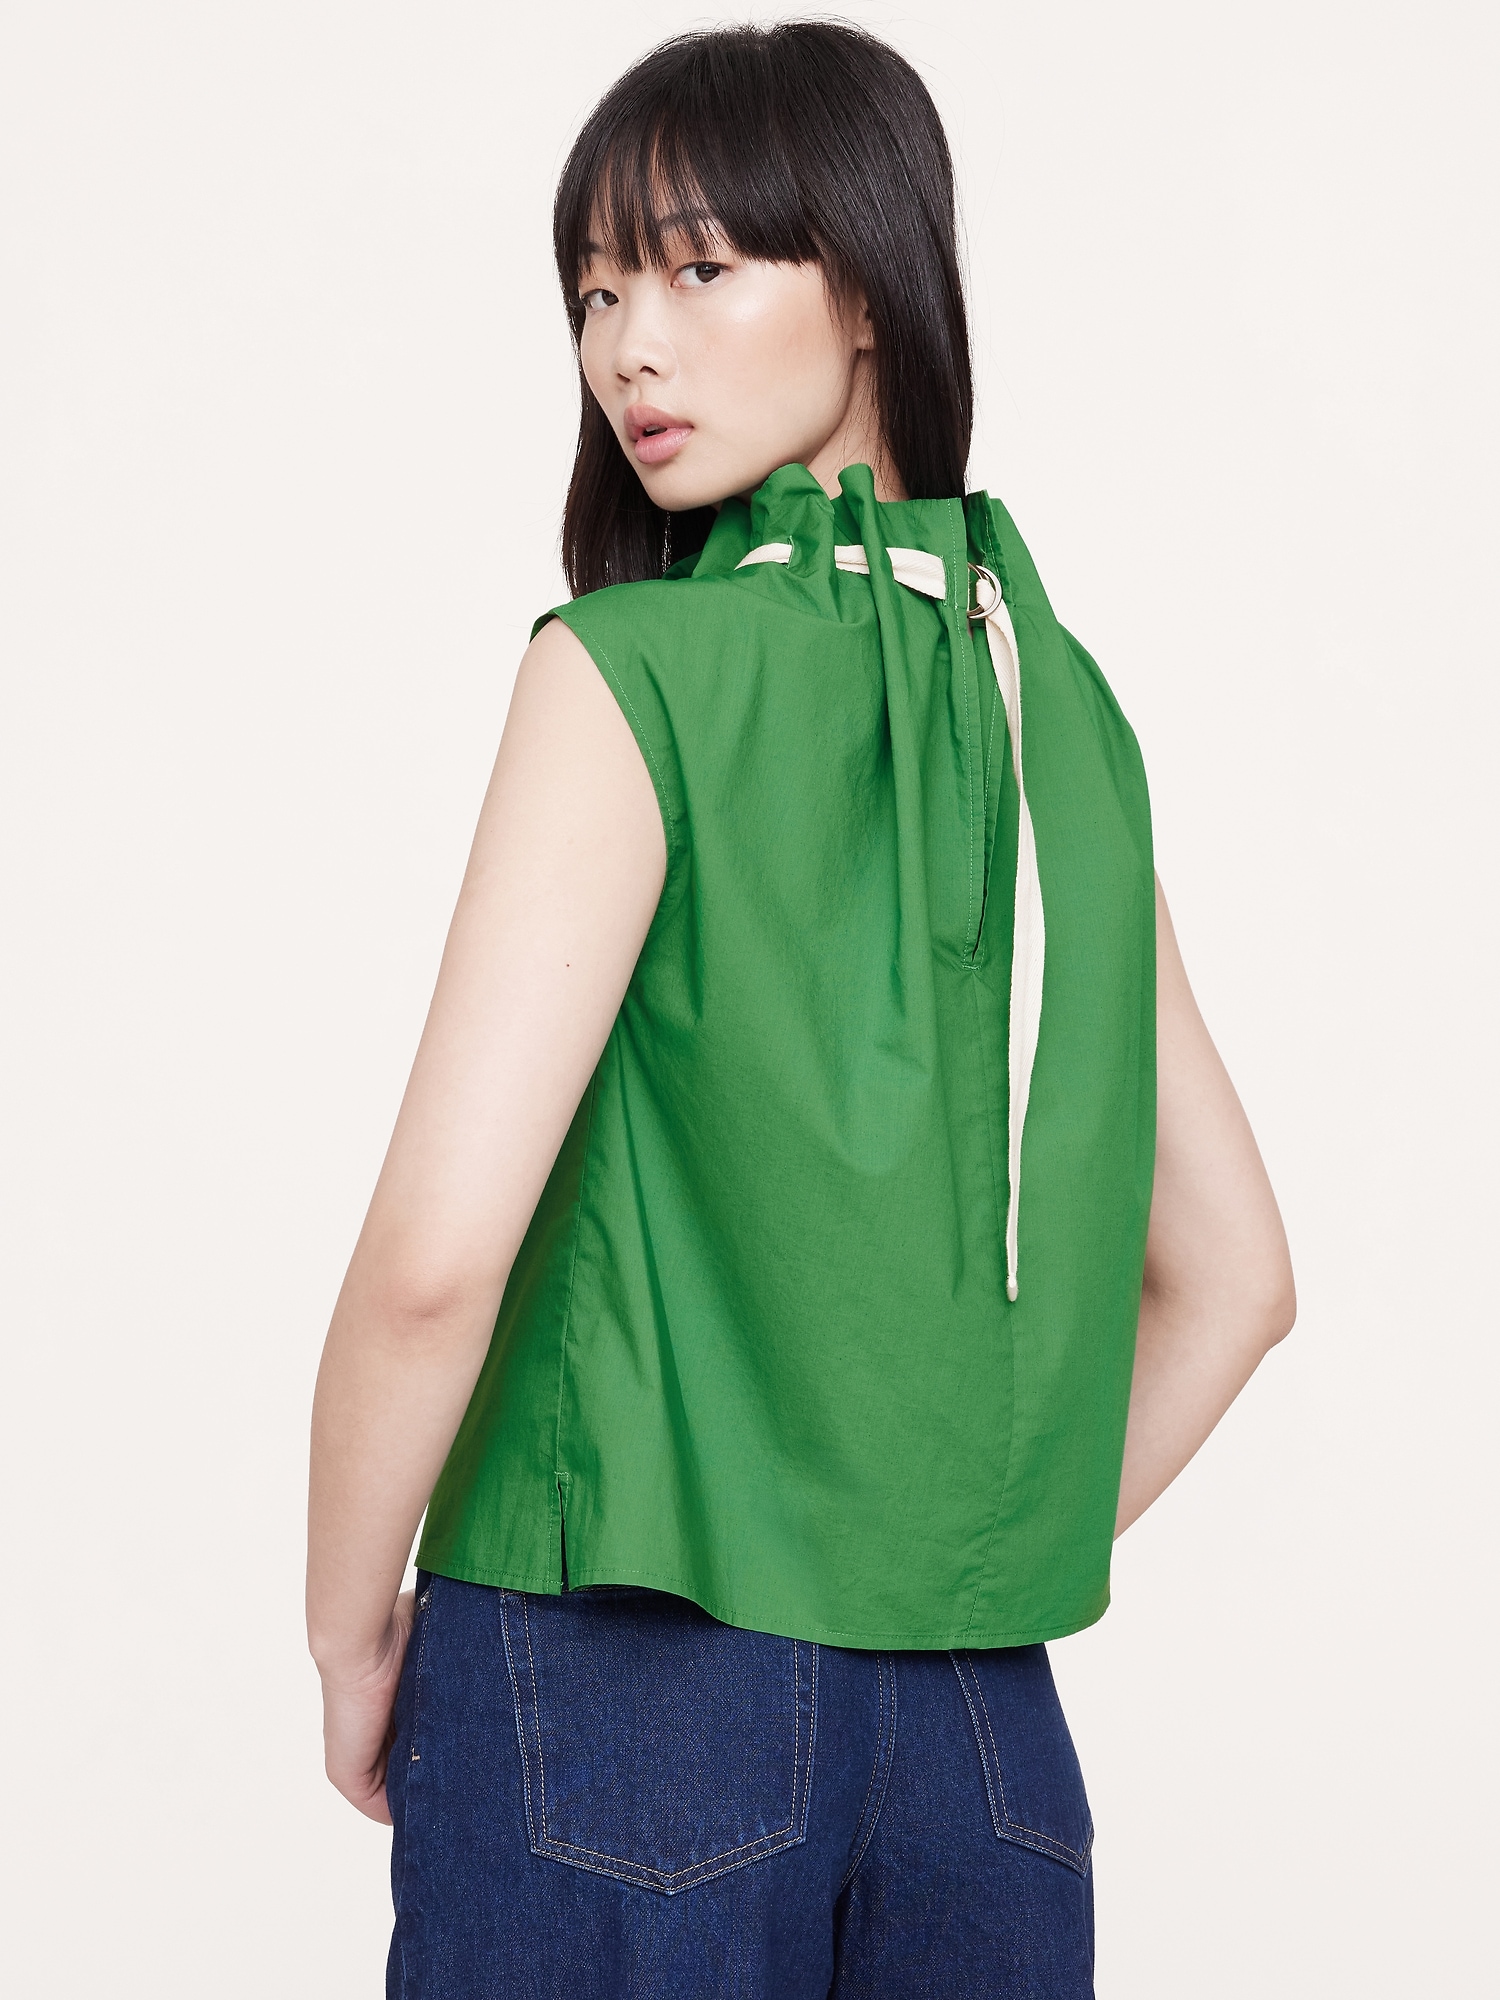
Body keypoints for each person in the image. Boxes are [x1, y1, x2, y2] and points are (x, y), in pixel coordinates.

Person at [306, 21, 1295, 1997]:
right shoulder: (1055, 708)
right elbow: (1241, 1278)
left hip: (618, 1688)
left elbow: (433, 1263)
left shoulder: (634, 670)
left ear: (866, 283)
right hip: (981, 1743)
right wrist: (945, 1547)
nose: (628, 349)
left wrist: (348, 1632)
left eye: (696, 266)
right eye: (595, 294)